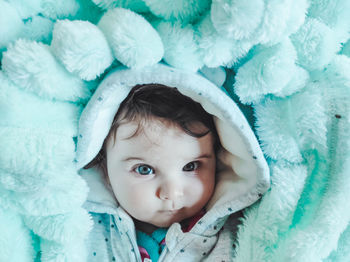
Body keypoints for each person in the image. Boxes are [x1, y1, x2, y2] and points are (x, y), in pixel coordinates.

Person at [75, 63, 270, 262]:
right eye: (144, 169)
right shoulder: (83, 229)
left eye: (191, 166)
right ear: (104, 168)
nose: (172, 193)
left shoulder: (236, 230)